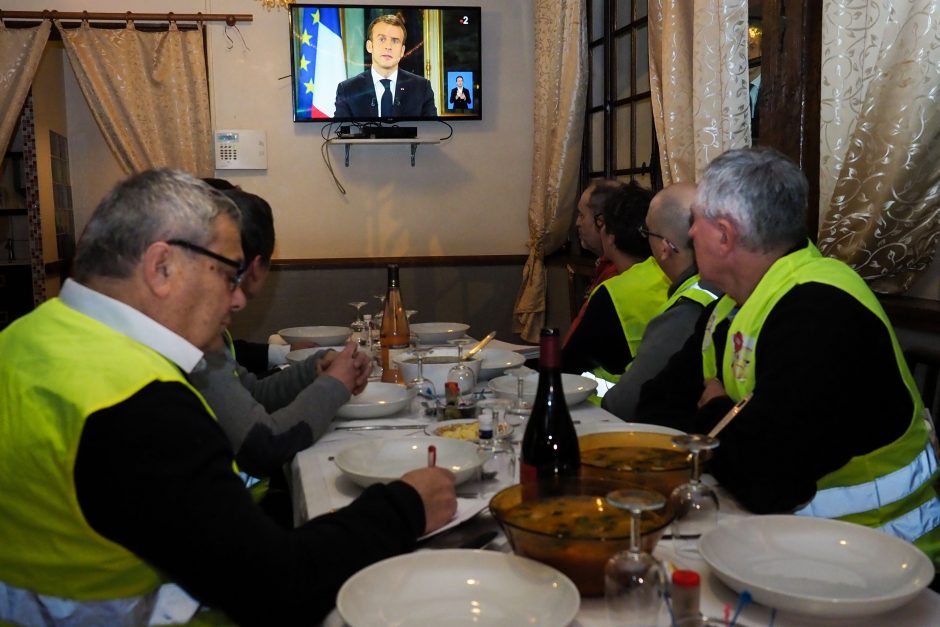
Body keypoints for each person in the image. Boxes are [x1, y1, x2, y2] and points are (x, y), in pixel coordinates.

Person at [0, 169, 457, 626]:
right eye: (228, 273)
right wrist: (407, 505)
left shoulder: (26, 337)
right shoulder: (135, 403)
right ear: (162, 268)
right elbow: (278, 585)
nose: (238, 301)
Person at [636, 148, 940, 565]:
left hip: (874, 561)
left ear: (724, 235)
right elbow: (653, 406)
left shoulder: (820, 313)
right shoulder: (727, 308)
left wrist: (715, 411)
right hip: (786, 546)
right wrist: (734, 427)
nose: (689, 236)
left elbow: (766, 482)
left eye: (696, 223)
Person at [190, 189, 372, 480]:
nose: (237, 300)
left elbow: (251, 393)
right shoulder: (190, 339)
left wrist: (313, 370)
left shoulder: (203, 329)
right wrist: (334, 385)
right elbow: (266, 446)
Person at [602, 183, 720, 421]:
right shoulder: (725, 285)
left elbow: (625, 404)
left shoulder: (686, 310)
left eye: (647, 234)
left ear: (665, 247)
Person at [562, 182, 669, 393]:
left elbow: (568, 365)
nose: (578, 223)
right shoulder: (671, 274)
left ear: (609, 234)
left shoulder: (614, 291)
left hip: (612, 408)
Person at [334, 14, 437, 119]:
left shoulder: (422, 88)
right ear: (369, 46)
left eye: (395, 41)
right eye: (382, 39)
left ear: (402, 51)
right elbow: (340, 132)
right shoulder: (348, 90)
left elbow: (432, 132)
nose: (388, 47)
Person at [563, 180, 624, 346]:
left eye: (582, 215)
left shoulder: (618, 273)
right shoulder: (605, 266)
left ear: (603, 222)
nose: (577, 223)